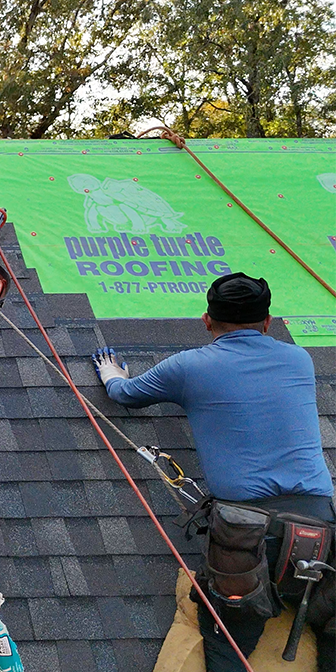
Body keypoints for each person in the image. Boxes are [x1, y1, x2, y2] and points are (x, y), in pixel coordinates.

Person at [91, 272, 336, 671]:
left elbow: (126, 394)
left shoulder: (190, 367)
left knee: (228, 644)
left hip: (246, 533)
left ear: (207, 320)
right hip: (319, 531)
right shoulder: (299, 359)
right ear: (267, 321)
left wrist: (111, 373)